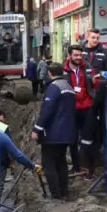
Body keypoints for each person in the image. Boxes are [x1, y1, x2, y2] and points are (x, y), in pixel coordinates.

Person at [31, 63, 76, 200]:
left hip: (53, 134)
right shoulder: (68, 86)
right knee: (61, 162)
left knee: (49, 164)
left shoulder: (53, 87)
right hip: (67, 133)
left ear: (50, 73)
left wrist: (37, 129)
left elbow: (47, 110)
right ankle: (64, 192)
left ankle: (56, 195)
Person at [63, 45, 98, 177]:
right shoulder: (64, 70)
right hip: (71, 109)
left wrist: (95, 84)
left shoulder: (88, 67)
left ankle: (90, 168)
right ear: (70, 56)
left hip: (87, 108)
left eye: (80, 55)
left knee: (87, 139)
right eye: (76, 55)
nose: (78, 58)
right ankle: (76, 167)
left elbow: (95, 84)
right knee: (72, 139)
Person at [82, 30, 107, 174]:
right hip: (84, 93)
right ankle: (84, 155)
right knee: (84, 124)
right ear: (88, 37)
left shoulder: (103, 53)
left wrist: (105, 86)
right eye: (93, 37)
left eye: (98, 38)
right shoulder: (80, 51)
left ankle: (98, 149)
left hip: (99, 93)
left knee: (99, 123)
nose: (95, 40)